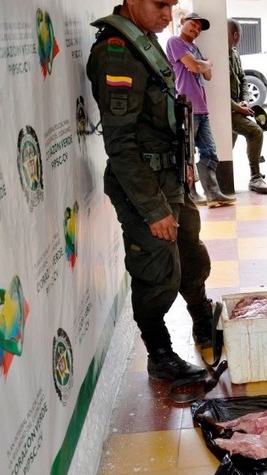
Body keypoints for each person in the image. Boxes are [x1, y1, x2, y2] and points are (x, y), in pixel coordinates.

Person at [87, 0, 223, 388]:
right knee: (156, 273)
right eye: (159, 4)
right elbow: (121, 144)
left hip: (170, 178)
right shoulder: (117, 53)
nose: (168, 14)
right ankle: (160, 355)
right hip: (144, 186)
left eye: (171, 5)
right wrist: (152, 209)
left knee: (191, 256)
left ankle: (202, 321)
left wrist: (183, 172)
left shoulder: (145, 41)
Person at [166, 12, 235, 207]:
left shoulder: (194, 48)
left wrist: (202, 65)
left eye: (199, 28)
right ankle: (188, 195)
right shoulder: (174, 42)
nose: (196, 30)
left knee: (210, 152)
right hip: (187, 107)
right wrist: (206, 63)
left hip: (201, 109)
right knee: (186, 153)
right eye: (193, 25)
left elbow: (208, 75)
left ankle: (213, 194)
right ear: (182, 22)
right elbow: (197, 68)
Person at [227, 19, 267, 195]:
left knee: (227, 145)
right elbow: (218, 92)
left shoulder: (234, 53)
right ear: (236, 35)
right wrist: (238, 108)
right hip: (227, 110)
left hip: (237, 107)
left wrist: (245, 100)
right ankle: (255, 177)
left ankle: (216, 179)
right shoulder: (218, 55)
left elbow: (243, 79)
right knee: (255, 132)